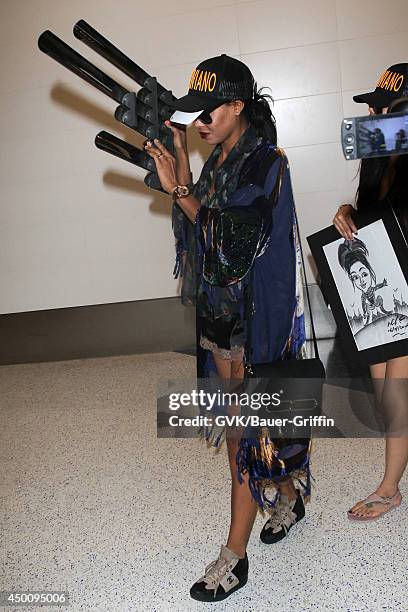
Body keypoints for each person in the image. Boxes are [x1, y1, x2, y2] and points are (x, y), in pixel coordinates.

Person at [144, 54, 309, 601]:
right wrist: (185, 179)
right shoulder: (218, 161)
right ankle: (287, 491)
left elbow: (234, 240)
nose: (200, 122)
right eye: (195, 114)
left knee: (244, 431)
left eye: (209, 111)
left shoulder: (267, 163)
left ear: (238, 106)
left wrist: (180, 191)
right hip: (221, 316)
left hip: (255, 319)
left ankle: (234, 555)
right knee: (256, 426)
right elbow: (200, 238)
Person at [333, 62, 408, 521]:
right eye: (374, 104)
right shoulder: (378, 156)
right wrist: (347, 211)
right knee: (385, 394)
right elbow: (372, 217)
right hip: (392, 285)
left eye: (386, 105)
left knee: (396, 394)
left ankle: (389, 489)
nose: (375, 110)